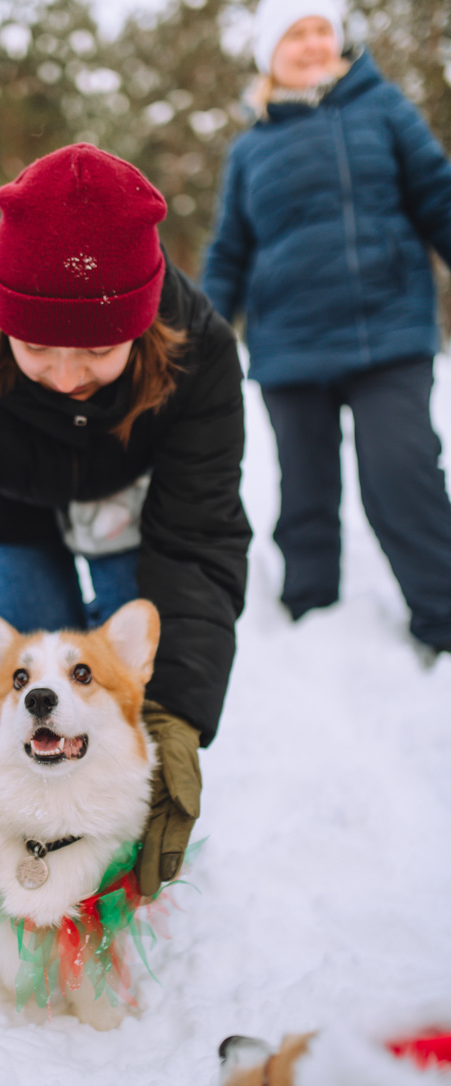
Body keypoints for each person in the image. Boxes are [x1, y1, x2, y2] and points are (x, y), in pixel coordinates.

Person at [0, 143, 251, 898]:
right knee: (34, 659)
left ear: (142, 328)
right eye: (38, 346)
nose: (68, 374)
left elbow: (199, 540)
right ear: (0, 320)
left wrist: (173, 724)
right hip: (8, 500)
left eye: (100, 348)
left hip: (130, 499)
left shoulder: (200, 353)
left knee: (116, 660)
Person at [202, 0, 451, 656]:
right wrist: (201, 336)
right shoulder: (251, 148)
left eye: (322, 31)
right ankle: (311, 618)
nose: (312, 44)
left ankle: (444, 620)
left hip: (389, 332)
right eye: (295, 34)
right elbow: (230, 250)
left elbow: (437, 193)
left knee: (403, 474)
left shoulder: (384, 108)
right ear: (270, 53)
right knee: (305, 491)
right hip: (290, 344)